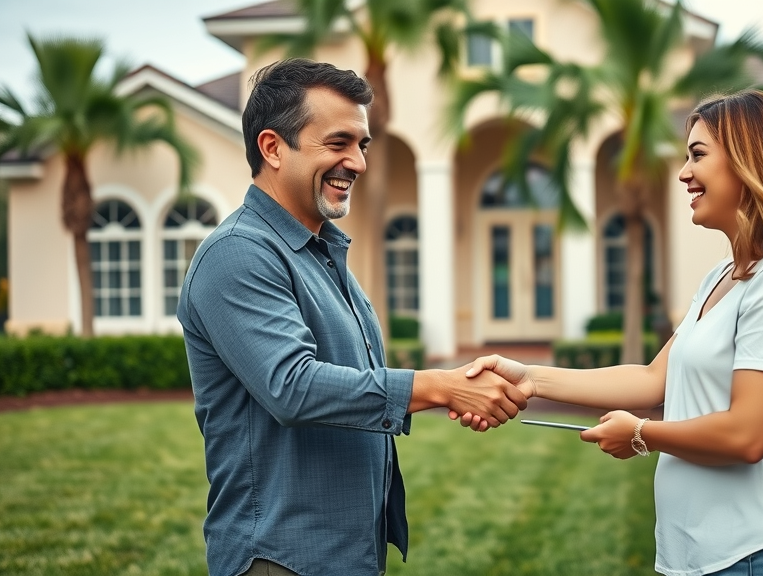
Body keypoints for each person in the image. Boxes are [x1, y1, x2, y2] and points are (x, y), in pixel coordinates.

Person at [460, 89, 763, 576]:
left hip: (756, 552)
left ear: (750, 160)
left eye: (698, 155)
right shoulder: (724, 276)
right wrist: (527, 378)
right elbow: (654, 380)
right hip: (699, 554)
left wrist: (641, 435)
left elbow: (749, 434)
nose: (683, 173)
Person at [176, 58, 527, 576]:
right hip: (279, 558)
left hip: (346, 554)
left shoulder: (320, 252)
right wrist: (440, 387)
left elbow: (351, 385)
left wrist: (453, 391)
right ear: (272, 147)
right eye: (338, 143)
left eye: (361, 145)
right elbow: (292, 386)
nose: (358, 163)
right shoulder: (237, 254)